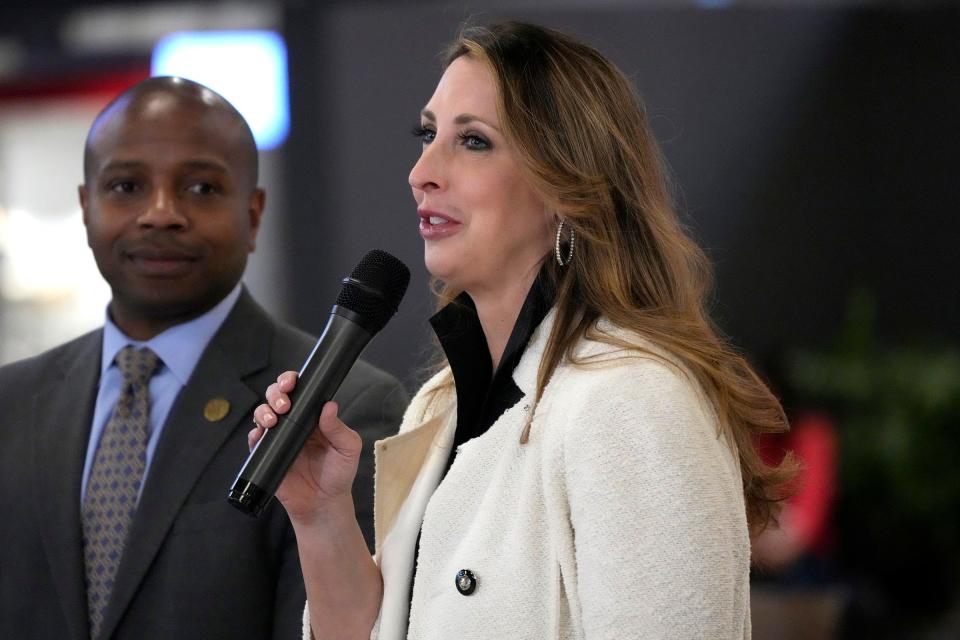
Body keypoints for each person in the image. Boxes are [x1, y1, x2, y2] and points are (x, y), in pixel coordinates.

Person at [253, 21, 795, 639]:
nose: (422, 171)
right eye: (428, 135)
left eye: (473, 141)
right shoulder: (438, 405)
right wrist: (322, 514)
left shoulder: (632, 398)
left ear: (567, 187)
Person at [0, 76, 407, 640]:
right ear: (85, 206)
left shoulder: (341, 410)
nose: (161, 214)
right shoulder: (12, 402)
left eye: (201, 189)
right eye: (126, 186)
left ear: (254, 215)